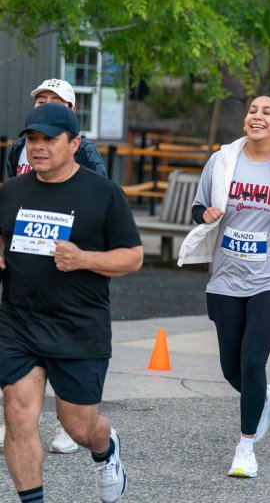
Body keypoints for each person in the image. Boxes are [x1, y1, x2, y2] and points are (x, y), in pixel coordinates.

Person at [0, 103, 143, 503]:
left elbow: (132, 257)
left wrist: (84, 259)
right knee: (17, 411)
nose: (39, 147)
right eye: (32, 138)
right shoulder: (10, 192)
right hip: (19, 322)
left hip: (79, 326)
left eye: (50, 139)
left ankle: (106, 447)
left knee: (78, 425)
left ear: (75, 143)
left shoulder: (103, 194)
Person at [178, 96, 270, 478]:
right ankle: (265, 396)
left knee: (253, 357)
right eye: (252, 111)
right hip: (227, 275)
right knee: (231, 368)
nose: (257, 116)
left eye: (267, 112)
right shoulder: (222, 160)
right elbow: (198, 208)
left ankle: (245, 449)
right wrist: (205, 214)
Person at [0, 79, 108, 454]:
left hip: (70, 272)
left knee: (76, 402)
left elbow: (100, 207)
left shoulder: (87, 155)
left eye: (55, 101)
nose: (45, 105)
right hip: (24, 264)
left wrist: (85, 255)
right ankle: (17, 420)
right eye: (40, 100)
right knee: (18, 361)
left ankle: (72, 423)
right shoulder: (19, 148)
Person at [5, 79, 107, 180]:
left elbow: (101, 189)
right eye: (41, 102)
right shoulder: (19, 145)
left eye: (56, 103)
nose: (47, 108)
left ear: (72, 111)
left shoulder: (84, 149)